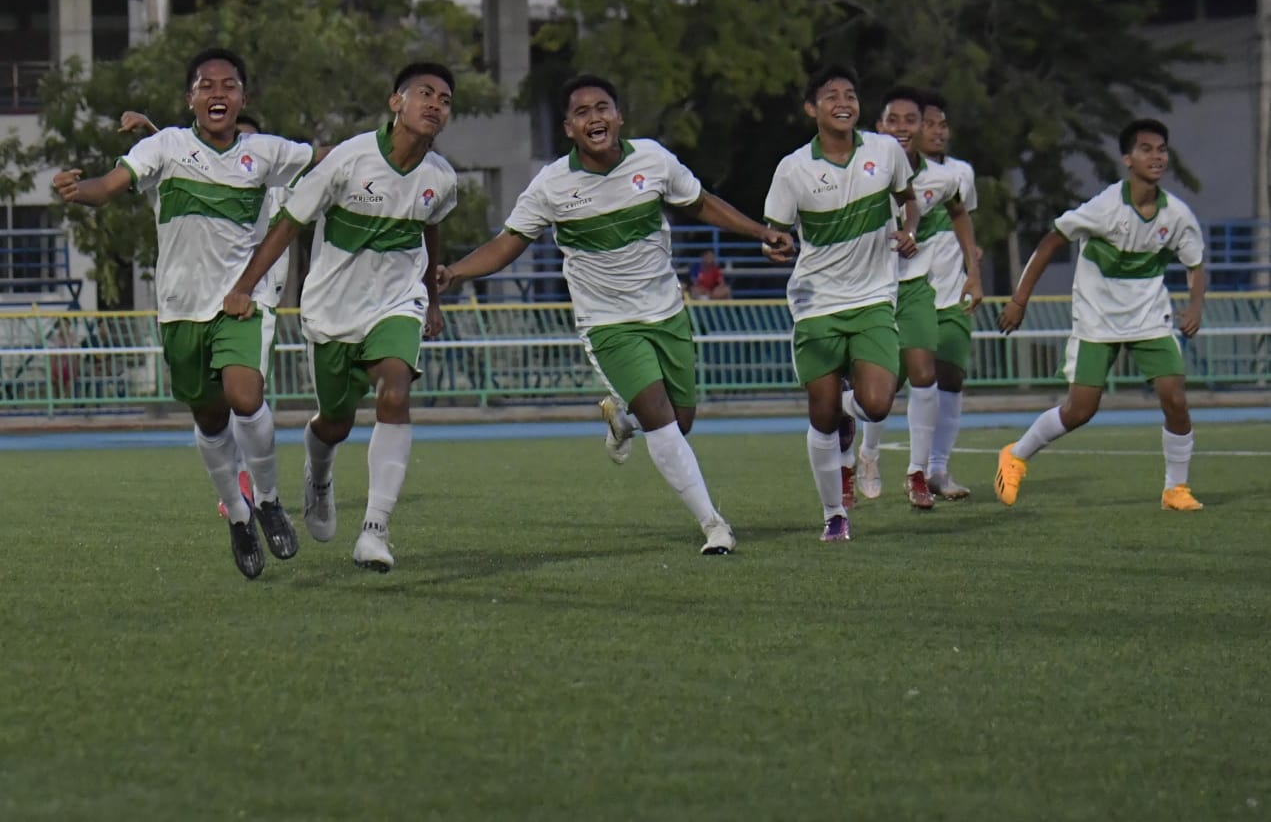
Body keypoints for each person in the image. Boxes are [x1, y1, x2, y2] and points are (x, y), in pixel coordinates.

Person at [435, 73, 794, 555]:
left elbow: (702, 203)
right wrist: (455, 273)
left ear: (618, 116)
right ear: (568, 128)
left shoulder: (653, 160)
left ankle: (623, 422)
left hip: (667, 312)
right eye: (581, 112)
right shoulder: (552, 184)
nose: (594, 118)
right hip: (607, 323)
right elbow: (507, 243)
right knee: (665, 423)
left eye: (602, 107)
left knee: (680, 421)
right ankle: (714, 525)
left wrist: (760, 232)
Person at [53, 48, 316, 579]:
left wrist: (385, 146)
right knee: (210, 417)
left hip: (242, 301)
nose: (218, 93)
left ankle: (267, 500)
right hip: (179, 309)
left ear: (243, 98)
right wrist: (77, 190)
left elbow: (327, 156)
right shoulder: (166, 147)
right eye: (206, 85)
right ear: (190, 98)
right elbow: (109, 185)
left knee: (245, 395)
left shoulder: (266, 152)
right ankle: (238, 517)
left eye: (229, 85)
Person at [224, 61, 458, 573]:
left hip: (396, 304)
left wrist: (431, 299)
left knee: (395, 391)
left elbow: (432, 227)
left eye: (444, 98)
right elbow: (288, 224)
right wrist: (244, 286)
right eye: (424, 93)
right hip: (331, 310)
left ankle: (375, 530)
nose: (435, 103)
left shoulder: (441, 177)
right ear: (396, 103)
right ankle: (320, 475)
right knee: (335, 421)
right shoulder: (348, 160)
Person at [994, 118, 1206, 511]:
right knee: (1080, 410)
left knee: (1174, 397)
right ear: (1128, 158)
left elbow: (1195, 264)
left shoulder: (1176, 215)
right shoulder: (1105, 208)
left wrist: (1195, 306)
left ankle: (1176, 488)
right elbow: (1050, 241)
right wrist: (1019, 300)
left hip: (1148, 317)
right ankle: (1016, 454)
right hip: (1097, 318)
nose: (1156, 156)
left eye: (1161, 149)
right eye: (1146, 149)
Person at [763, 65, 920, 542]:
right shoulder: (793, 169)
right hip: (815, 303)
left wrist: (909, 229)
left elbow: (908, 199)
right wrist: (776, 246)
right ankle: (834, 514)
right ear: (812, 109)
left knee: (877, 403)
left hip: (873, 296)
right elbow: (774, 234)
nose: (843, 102)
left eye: (850, 94)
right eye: (830, 96)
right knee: (821, 414)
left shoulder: (885, 150)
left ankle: (847, 411)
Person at [119, 109, 287, 519]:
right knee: (215, 406)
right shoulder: (201, 166)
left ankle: (257, 488)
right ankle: (236, 489)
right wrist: (151, 130)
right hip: (194, 303)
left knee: (246, 395)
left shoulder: (274, 181)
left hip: (256, 296)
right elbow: (195, 162)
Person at [851, 86, 982, 508]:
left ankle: (920, 473)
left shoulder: (945, 177)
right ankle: (867, 455)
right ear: (880, 126)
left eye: (913, 121)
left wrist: (973, 270)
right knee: (880, 394)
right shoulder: (862, 168)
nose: (906, 129)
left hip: (916, 288)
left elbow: (960, 212)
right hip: (871, 289)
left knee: (928, 374)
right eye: (897, 120)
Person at [915, 93, 981, 499]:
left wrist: (974, 273)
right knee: (885, 390)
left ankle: (935, 470)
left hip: (952, 292)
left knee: (952, 377)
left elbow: (964, 224)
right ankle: (857, 454)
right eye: (930, 123)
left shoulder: (961, 173)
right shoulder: (895, 175)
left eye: (943, 123)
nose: (939, 131)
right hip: (910, 293)